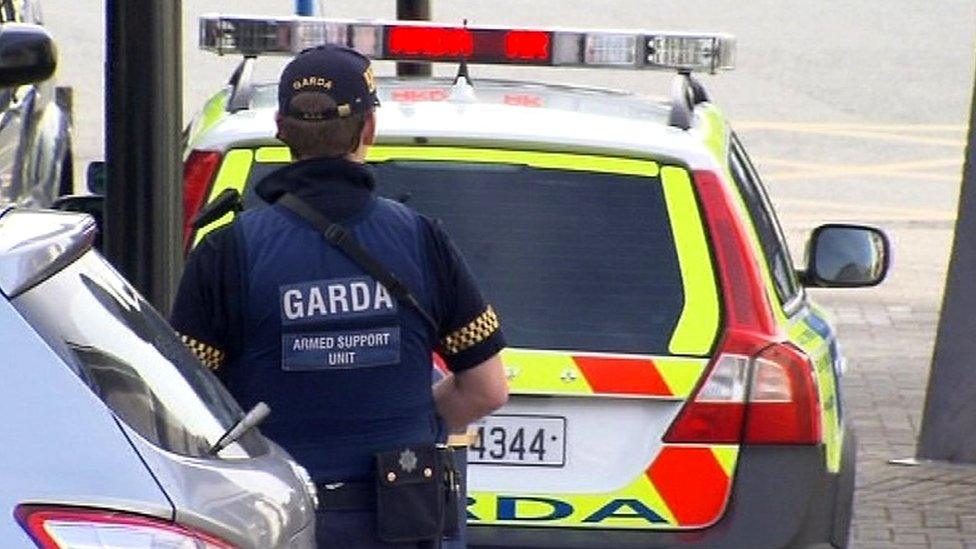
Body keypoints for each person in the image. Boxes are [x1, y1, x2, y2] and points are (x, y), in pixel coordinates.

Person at [170, 44, 509, 548]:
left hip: (276, 518)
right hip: (402, 517)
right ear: (368, 129)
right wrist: (414, 419)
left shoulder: (227, 251)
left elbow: (186, 406)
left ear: (282, 128)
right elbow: (486, 390)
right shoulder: (420, 238)